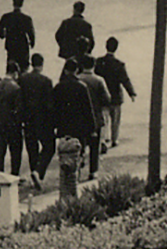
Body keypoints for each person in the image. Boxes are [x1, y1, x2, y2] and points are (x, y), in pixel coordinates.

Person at [52, 58, 96, 198]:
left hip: (63, 129)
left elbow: (53, 109)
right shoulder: (82, 87)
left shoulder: (58, 87)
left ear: (65, 70)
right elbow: (88, 110)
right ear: (77, 70)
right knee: (77, 157)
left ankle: (64, 188)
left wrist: (54, 127)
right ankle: (74, 185)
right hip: (79, 129)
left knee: (64, 158)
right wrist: (92, 129)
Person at [18, 53, 57, 189]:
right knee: (49, 147)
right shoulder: (46, 81)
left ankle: (35, 172)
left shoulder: (22, 79)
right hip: (43, 120)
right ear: (42, 64)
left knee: (32, 148)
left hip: (28, 119)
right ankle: (38, 172)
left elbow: (19, 100)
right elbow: (50, 104)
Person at [96, 38, 138, 150]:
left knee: (104, 119)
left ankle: (103, 139)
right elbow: (125, 80)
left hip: (102, 97)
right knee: (115, 120)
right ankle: (114, 139)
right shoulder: (119, 64)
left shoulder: (99, 62)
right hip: (115, 97)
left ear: (106, 46)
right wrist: (131, 93)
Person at [77, 56, 110, 178]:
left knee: (80, 142)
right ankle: (93, 171)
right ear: (94, 65)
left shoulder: (77, 79)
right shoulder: (99, 80)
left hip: (80, 117)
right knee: (94, 145)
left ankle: (79, 162)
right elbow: (106, 99)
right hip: (95, 117)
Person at [0, 0, 36, 73]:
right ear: (22, 4)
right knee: (23, 68)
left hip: (11, 44)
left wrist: (3, 35)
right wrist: (32, 43)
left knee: (11, 66)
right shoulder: (26, 18)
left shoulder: (7, 17)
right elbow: (31, 33)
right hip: (23, 45)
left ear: (13, 4)